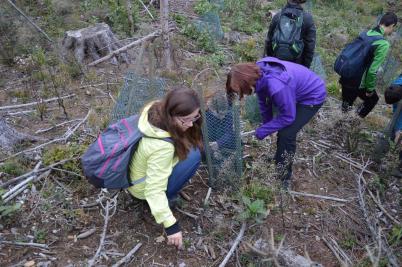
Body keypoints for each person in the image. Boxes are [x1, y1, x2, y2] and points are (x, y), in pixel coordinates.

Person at [226, 57, 326, 189]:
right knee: (282, 127)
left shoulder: (277, 86)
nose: (242, 94)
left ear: (246, 81)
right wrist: (267, 124)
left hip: (313, 95)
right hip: (294, 88)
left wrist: (265, 130)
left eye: (241, 90)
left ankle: (283, 176)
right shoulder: (258, 74)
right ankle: (279, 160)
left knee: (286, 133)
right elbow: (263, 100)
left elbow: (288, 117)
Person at [127, 87, 203, 249]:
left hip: (135, 178)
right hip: (143, 190)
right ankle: (167, 197)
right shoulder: (162, 147)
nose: (191, 124)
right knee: (195, 155)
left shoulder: (155, 110)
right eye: (185, 120)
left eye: (195, 117)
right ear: (172, 115)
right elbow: (153, 190)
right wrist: (171, 225)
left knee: (190, 151)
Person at [340, 12, 398, 118]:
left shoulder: (366, 33)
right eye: (393, 28)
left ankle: (341, 123)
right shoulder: (383, 44)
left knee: (345, 106)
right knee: (373, 99)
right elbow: (372, 71)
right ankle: (354, 121)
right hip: (358, 81)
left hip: (346, 72)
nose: (392, 30)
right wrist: (369, 90)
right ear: (392, 25)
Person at [264, 0, 316, 68]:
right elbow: (310, 48)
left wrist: (271, 61)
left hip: (277, 63)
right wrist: (305, 68)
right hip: (296, 65)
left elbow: (268, 42)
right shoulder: (307, 18)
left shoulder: (278, 16)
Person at [384, 74, 402, 178]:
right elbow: (397, 112)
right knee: (395, 131)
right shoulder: (396, 85)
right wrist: (398, 129)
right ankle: (388, 156)